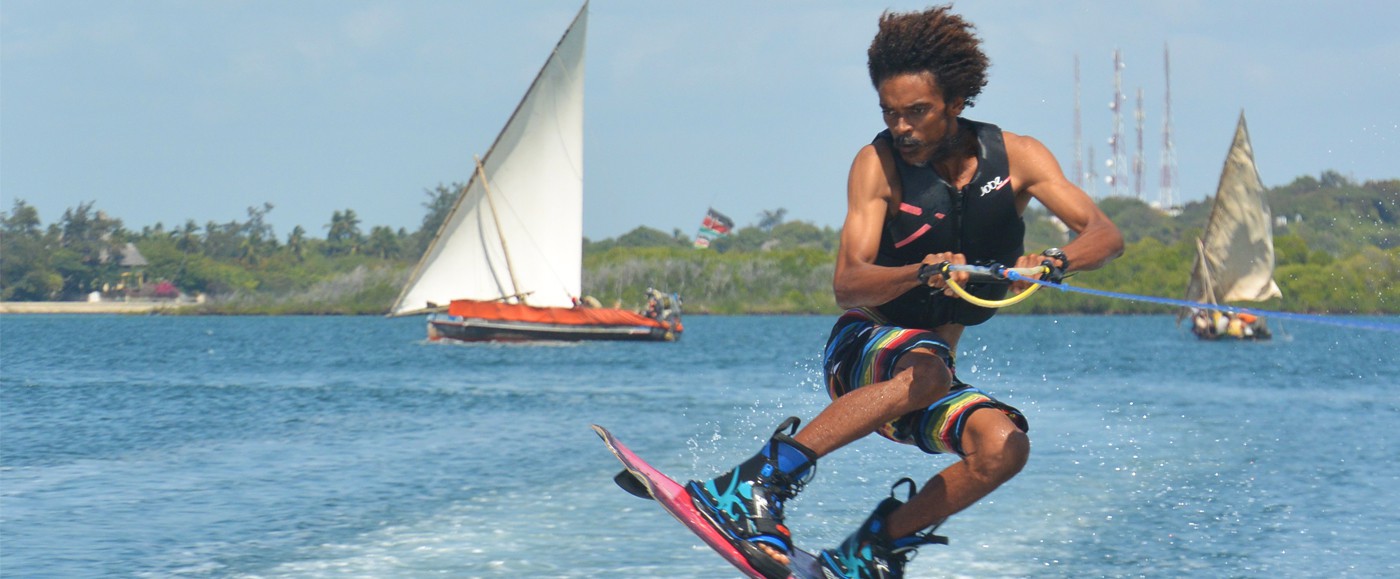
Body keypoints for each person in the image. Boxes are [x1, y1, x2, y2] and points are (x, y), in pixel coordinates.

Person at [685, 6, 1125, 579]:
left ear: (957, 100)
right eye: (890, 113)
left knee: (1004, 446)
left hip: (923, 378)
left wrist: (1054, 260)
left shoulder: (1019, 157)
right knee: (930, 370)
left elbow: (1106, 235)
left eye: (916, 112)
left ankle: (872, 550)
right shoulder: (876, 165)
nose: (902, 128)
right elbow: (847, 280)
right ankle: (755, 483)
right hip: (862, 353)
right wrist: (922, 271)